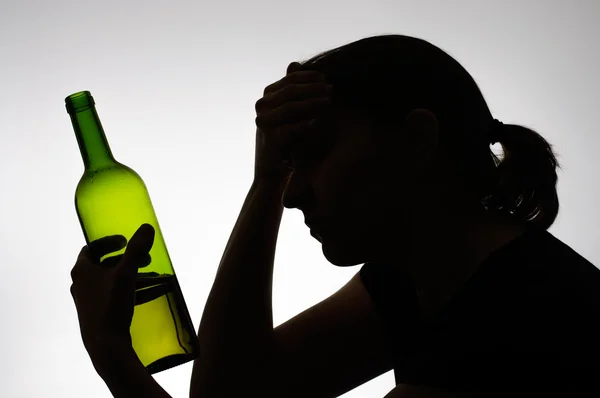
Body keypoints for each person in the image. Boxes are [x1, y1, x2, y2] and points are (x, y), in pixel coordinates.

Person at [70, 34, 600, 398]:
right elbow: (234, 393)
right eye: (289, 167)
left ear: (417, 139)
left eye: (316, 152)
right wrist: (267, 179)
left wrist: (114, 358)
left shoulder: (519, 311)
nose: (294, 194)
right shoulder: (416, 283)